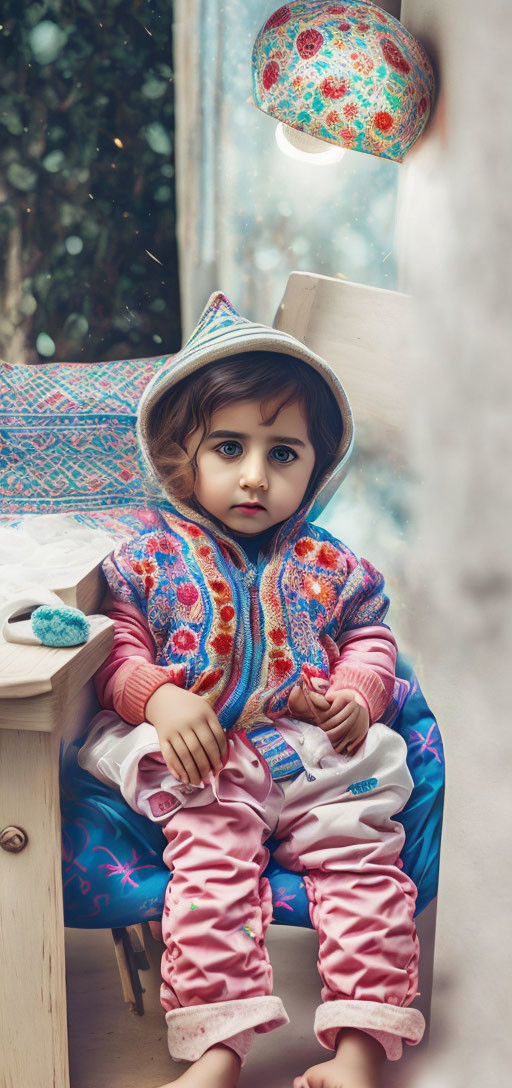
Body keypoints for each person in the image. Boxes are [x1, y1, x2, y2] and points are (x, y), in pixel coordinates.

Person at [78, 291, 425, 1088]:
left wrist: (358, 691)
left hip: (319, 753)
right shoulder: (149, 559)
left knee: (366, 868)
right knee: (207, 878)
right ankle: (217, 1051)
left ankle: (360, 1053)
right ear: (181, 459)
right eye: (228, 448)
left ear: (317, 465)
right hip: (210, 761)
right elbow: (117, 647)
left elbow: (371, 631)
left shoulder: (329, 562)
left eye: (284, 454)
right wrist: (159, 699)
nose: (254, 476)